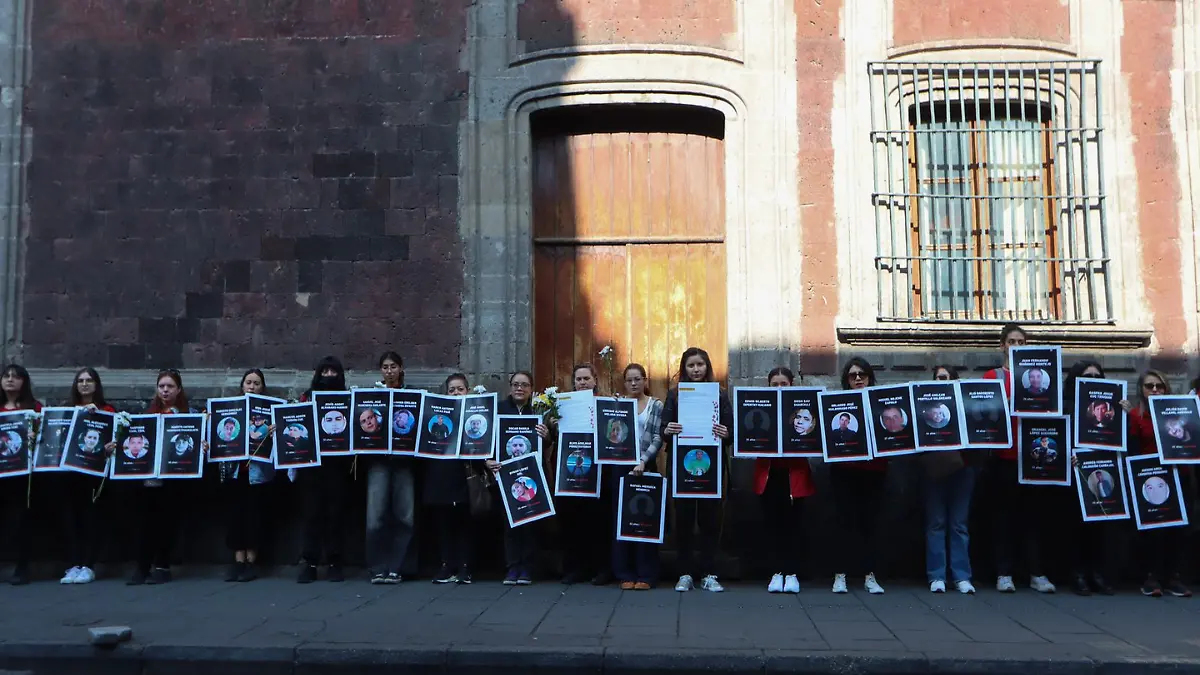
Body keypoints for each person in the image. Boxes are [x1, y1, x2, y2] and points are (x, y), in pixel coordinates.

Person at [983, 323, 1056, 593]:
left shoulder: (1040, 378)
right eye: (1012, 342)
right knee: (1003, 518)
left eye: (1021, 342)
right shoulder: (993, 377)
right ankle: (1004, 573)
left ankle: (1037, 573)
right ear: (1002, 345)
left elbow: (1053, 414)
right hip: (1003, 457)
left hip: (1034, 458)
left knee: (1034, 519)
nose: (1016, 346)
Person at [661, 347, 733, 593]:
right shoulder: (675, 395)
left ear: (707, 367)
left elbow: (731, 432)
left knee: (709, 521)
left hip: (710, 465)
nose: (695, 370)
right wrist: (668, 429)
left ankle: (709, 573)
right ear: (684, 369)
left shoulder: (720, 395)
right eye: (690, 366)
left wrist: (726, 433)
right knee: (683, 520)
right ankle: (685, 573)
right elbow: (663, 429)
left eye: (700, 365)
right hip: (682, 465)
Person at [1127, 370, 1192, 597]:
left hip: (1178, 476)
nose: (1154, 389)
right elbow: (1133, 449)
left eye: (1159, 386)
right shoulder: (1136, 416)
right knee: (1153, 531)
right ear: (1141, 390)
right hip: (1151, 477)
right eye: (1149, 386)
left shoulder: (1178, 412)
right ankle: (1151, 577)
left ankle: (1174, 577)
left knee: (1179, 530)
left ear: (1166, 388)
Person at [128, 369, 195, 585]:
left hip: (174, 478)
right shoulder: (148, 414)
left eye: (170, 386)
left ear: (179, 389)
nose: (165, 390)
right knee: (145, 523)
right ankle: (142, 566)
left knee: (167, 523)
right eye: (161, 386)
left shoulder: (188, 415)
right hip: (150, 478)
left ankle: (162, 565)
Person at [828, 357, 887, 595]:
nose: (858, 378)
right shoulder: (837, 403)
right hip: (843, 472)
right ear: (847, 380)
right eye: (853, 375)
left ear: (870, 377)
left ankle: (869, 575)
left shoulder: (880, 403)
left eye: (862, 374)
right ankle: (840, 575)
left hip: (873, 472)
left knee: (869, 525)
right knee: (843, 523)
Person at [486, 371, 550, 585]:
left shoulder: (539, 410)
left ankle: (528, 568)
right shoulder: (499, 410)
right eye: (515, 384)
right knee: (510, 524)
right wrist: (487, 461)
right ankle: (512, 567)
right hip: (506, 476)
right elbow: (488, 441)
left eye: (524, 385)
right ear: (510, 387)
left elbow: (547, 444)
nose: (519, 388)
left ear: (531, 388)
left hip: (532, 475)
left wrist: (547, 436)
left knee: (531, 523)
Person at [1063, 361, 1119, 596]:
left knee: (1101, 526)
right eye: (1088, 376)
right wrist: (1069, 457)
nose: (1094, 378)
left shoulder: (1111, 407)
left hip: (1103, 469)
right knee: (1076, 527)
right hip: (1076, 473)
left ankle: (1097, 574)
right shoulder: (1067, 406)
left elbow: (1122, 439)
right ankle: (1078, 575)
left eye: (1098, 375)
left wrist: (1122, 412)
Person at [755, 367, 814, 594]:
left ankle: (792, 573)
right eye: (775, 384)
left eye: (784, 384)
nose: (779, 388)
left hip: (795, 475)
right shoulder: (761, 408)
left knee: (794, 526)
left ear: (792, 385)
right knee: (772, 526)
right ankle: (776, 572)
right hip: (768, 475)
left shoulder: (802, 411)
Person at [555, 363, 615, 585]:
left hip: (599, 473)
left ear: (595, 380)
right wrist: (553, 425)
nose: (582, 382)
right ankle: (575, 569)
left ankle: (602, 569)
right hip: (572, 472)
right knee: (573, 522)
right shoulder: (563, 405)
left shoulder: (605, 403)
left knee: (599, 522)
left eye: (586, 378)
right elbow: (555, 436)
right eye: (578, 379)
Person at [424, 373, 485, 584]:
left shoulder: (477, 414)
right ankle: (446, 565)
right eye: (452, 390)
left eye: (460, 389)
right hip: (442, 474)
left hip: (465, 474)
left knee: (465, 522)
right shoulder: (438, 414)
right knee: (444, 522)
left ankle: (465, 566)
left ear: (468, 390)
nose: (456, 393)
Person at [923, 365, 979, 595]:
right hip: (934, 470)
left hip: (962, 468)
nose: (942, 380)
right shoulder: (923, 405)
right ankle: (937, 576)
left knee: (959, 524)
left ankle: (961, 576)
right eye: (938, 377)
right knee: (936, 523)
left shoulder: (964, 404)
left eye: (946, 377)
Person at [296, 356, 353, 584]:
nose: (329, 376)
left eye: (333, 372)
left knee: (335, 515)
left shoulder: (348, 399)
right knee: (311, 515)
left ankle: (334, 561)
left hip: (337, 466)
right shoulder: (306, 398)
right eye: (325, 372)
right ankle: (309, 562)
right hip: (312, 466)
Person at [58, 367, 117, 585]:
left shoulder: (107, 410)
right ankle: (73, 564)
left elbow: (112, 435)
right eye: (80, 380)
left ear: (96, 385)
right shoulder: (67, 410)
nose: (84, 384)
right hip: (69, 474)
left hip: (94, 475)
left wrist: (111, 445)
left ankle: (89, 565)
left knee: (92, 518)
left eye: (89, 380)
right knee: (70, 519)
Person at [218, 369, 275, 583]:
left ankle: (251, 561)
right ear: (242, 385)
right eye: (248, 382)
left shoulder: (269, 410)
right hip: (235, 471)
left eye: (256, 383)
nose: (251, 387)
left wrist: (273, 431)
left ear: (262, 387)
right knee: (235, 517)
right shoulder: (231, 408)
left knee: (254, 517)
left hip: (258, 473)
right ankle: (238, 560)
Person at [365, 351, 418, 585]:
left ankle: (398, 566)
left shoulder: (412, 395)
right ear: (380, 371)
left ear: (401, 368)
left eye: (393, 366)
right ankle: (377, 567)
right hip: (379, 462)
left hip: (404, 462)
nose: (389, 371)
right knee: (375, 516)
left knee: (405, 516)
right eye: (385, 367)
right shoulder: (372, 396)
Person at [617, 364, 664, 590]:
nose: (633, 383)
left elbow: (657, 437)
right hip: (620, 467)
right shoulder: (619, 405)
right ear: (624, 382)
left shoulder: (656, 405)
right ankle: (625, 572)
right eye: (629, 380)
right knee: (623, 520)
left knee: (645, 520)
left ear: (645, 380)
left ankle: (646, 574)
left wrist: (643, 460)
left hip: (646, 466)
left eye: (638, 379)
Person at [0, 364, 42, 585]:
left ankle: (22, 567)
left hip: (22, 474)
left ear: (23, 382)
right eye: (6, 376)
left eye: (15, 377)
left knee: (20, 521)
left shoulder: (33, 408)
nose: (10, 380)